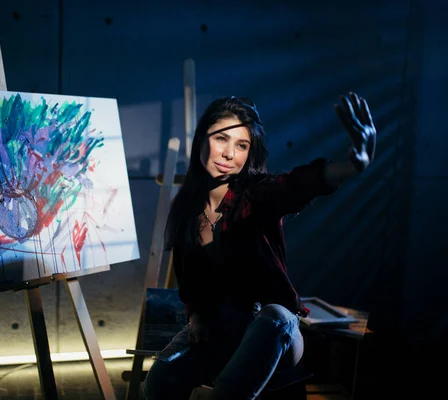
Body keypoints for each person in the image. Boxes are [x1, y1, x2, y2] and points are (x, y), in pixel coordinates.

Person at [143, 93, 377, 400]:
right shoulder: (186, 209)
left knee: (275, 316)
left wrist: (349, 166)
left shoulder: (256, 195)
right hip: (223, 332)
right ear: (202, 139)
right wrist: (196, 319)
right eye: (221, 139)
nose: (229, 153)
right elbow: (190, 282)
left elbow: (296, 185)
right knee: (157, 383)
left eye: (241, 145)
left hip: (277, 335)